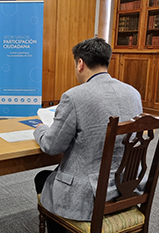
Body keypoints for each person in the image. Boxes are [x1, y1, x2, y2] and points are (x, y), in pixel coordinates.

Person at [33, 37, 144, 232]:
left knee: (42, 178)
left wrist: (40, 129)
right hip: (128, 186)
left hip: (89, 195)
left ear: (80, 64)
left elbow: (52, 147)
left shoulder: (74, 97)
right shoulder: (133, 93)